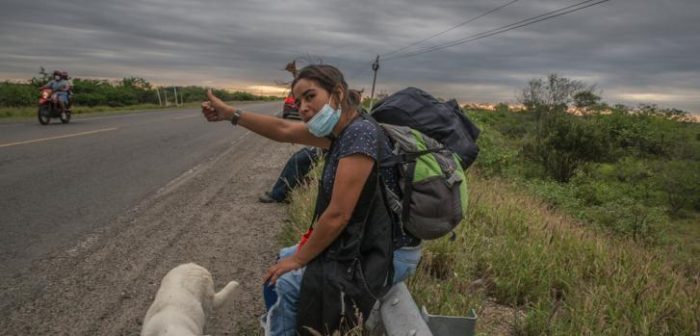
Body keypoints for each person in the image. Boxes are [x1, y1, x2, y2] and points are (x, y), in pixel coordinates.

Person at [201, 64, 421, 336]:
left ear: (337, 93)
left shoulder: (359, 134)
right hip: (365, 241)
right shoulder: (343, 131)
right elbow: (284, 129)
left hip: (386, 253)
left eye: (310, 96)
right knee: (282, 261)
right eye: (298, 101)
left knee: (287, 281)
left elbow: (338, 215)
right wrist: (230, 114)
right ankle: (280, 323)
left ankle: (283, 327)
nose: (303, 107)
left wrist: (299, 261)